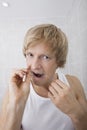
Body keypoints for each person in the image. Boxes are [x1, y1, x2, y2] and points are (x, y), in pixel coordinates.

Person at [0, 24, 87, 130]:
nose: (35, 65)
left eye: (45, 57)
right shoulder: (14, 91)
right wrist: (17, 103)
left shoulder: (73, 84)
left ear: (59, 62)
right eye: (30, 55)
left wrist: (76, 113)